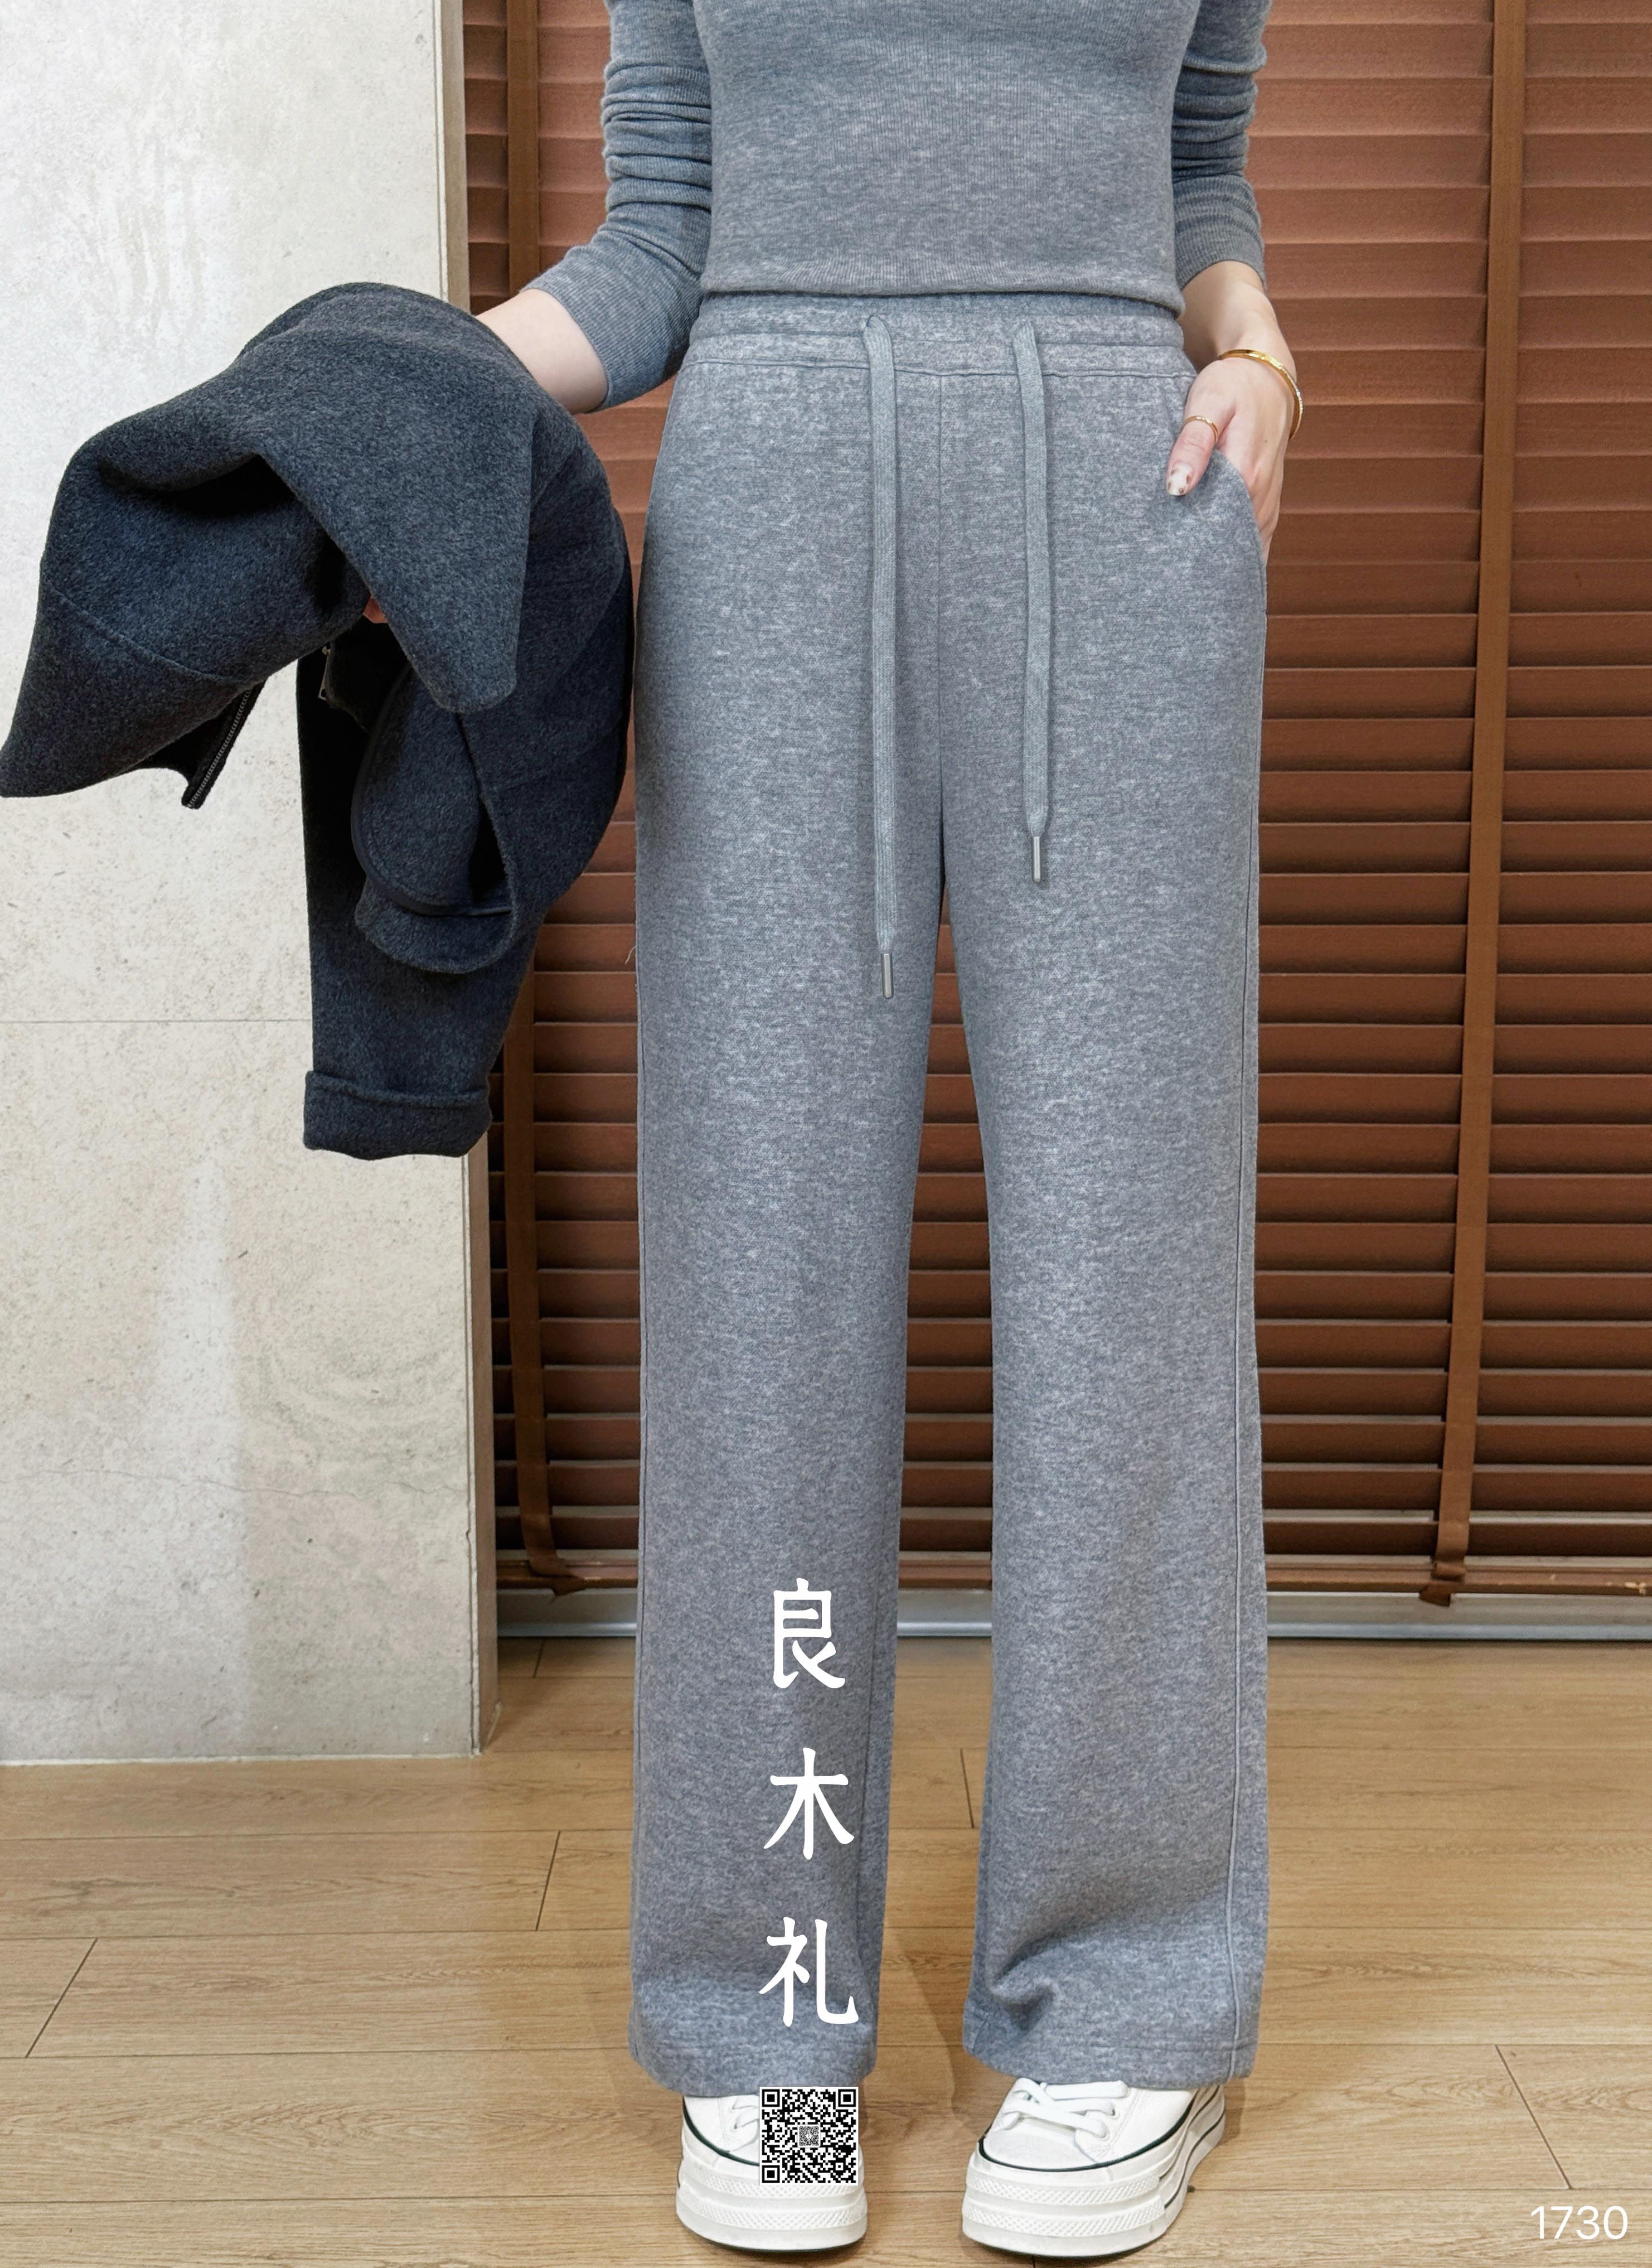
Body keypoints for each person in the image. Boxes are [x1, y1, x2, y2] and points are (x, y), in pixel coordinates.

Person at [480, 2, 1294, 2254]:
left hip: (1130, 502)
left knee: (1132, 1267)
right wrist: (404, 400)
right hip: (772, 500)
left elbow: (1190, 167)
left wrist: (1256, 346)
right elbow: (664, 235)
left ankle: (1129, 1993)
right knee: (765, 1276)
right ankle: (768, 2002)